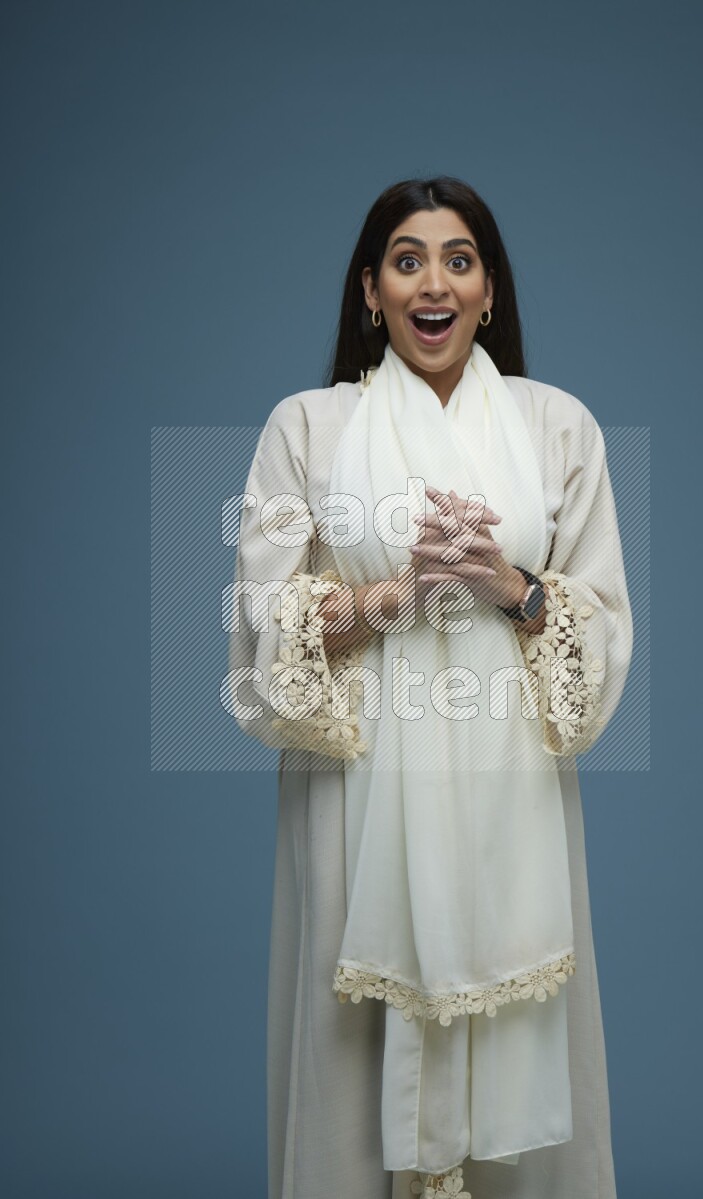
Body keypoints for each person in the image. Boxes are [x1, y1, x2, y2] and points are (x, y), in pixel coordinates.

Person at [227, 176, 634, 1199]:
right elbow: (262, 622)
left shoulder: (557, 427)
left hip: (511, 812)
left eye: (457, 258)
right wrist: (388, 599)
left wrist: (507, 585)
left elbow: (599, 630)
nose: (431, 281)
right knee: (350, 1069)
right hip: (355, 810)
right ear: (369, 291)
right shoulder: (307, 428)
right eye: (405, 259)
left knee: (521, 1058)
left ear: (488, 291)